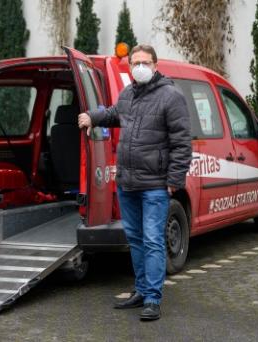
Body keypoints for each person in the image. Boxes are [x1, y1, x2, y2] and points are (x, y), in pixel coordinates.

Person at [78, 44, 192, 320]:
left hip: (155, 185)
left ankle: (153, 298)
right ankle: (141, 290)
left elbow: (182, 143)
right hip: (128, 183)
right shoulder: (128, 93)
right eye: (135, 62)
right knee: (137, 240)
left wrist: (173, 180)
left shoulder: (171, 96)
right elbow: (115, 114)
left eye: (145, 62)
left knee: (153, 241)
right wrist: (92, 117)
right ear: (130, 66)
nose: (140, 66)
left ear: (155, 65)